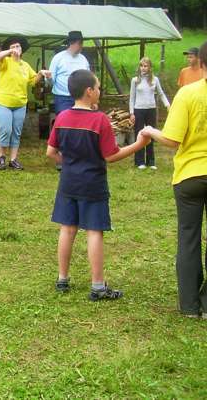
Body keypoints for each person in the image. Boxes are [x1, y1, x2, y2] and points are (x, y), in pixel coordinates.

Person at [46, 69, 150, 301]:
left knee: (67, 228)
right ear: (89, 91)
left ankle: (62, 279)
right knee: (94, 231)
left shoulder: (61, 117)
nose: (100, 91)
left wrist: (71, 165)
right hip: (92, 184)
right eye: (99, 87)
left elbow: (51, 152)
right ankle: (97, 287)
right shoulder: (99, 119)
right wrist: (140, 144)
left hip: (68, 183)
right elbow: (111, 155)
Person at [141, 41, 207, 319]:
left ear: (200, 63)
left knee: (188, 237)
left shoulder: (188, 94)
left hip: (191, 176)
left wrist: (150, 131)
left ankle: (190, 306)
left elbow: (171, 139)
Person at [0, 37, 51, 170]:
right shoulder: (5, 61)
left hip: (20, 104)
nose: (16, 48)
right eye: (13, 46)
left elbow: (33, 81)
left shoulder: (25, 65)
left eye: (18, 46)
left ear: (22, 49)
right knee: (6, 129)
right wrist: (9, 52)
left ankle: (13, 159)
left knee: (16, 132)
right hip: (1, 102)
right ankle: (2, 157)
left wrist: (41, 73)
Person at [129, 57, 170, 169]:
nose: (143, 68)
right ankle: (139, 161)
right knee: (139, 134)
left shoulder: (155, 80)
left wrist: (167, 104)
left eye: (145, 66)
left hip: (151, 109)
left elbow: (161, 93)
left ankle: (151, 161)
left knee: (151, 133)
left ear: (150, 67)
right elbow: (132, 98)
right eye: (141, 65)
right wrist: (131, 112)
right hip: (138, 109)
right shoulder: (135, 80)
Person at [49, 31, 90, 115]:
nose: (82, 46)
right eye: (80, 43)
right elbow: (51, 81)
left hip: (80, 97)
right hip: (62, 98)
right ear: (71, 43)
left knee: (80, 123)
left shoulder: (83, 59)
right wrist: (48, 78)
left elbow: (89, 79)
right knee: (64, 122)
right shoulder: (58, 58)